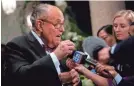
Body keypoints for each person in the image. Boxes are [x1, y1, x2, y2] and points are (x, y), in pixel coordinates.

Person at [5, 4, 80, 86]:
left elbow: (68, 78)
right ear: (40, 25)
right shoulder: (17, 45)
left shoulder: (59, 48)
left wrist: (74, 79)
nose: (62, 29)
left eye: (62, 24)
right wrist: (55, 56)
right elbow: (21, 78)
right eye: (57, 24)